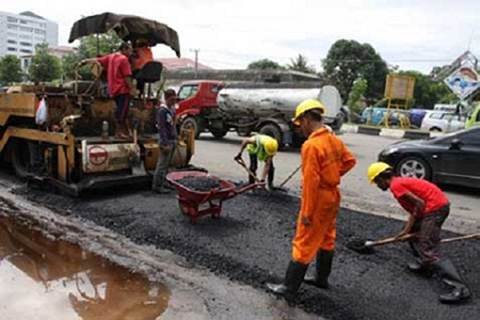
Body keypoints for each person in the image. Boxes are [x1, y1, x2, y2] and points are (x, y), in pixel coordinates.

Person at [266, 99, 356, 301]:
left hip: (319, 197)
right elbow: (350, 161)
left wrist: (306, 212)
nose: (300, 128)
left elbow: (310, 184)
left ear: (306, 119)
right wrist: (333, 174)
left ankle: (289, 288)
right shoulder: (334, 140)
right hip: (332, 196)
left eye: (300, 123)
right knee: (326, 236)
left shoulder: (312, 145)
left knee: (304, 241)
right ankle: (321, 279)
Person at [367, 162, 471, 304]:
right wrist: (407, 230)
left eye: (376, 182)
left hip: (435, 209)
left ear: (380, 178)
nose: (378, 186)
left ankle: (460, 288)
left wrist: (409, 230)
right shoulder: (399, 183)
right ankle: (425, 265)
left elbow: (420, 204)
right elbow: (416, 209)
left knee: (428, 247)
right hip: (434, 207)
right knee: (414, 234)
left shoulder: (396, 186)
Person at [79, 42, 134, 139]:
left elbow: (97, 60)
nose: (131, 52)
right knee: (122, 113)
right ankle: (120, 133)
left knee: (121, 111)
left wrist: (84, 61)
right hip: (123, 90)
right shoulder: (124, 59)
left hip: (114, 90)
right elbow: (127, 77)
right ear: (124, 49)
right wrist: (132, 89)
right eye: (130, 50)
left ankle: (125, 132)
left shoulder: (111, 57)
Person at [152, 89, 178, 193]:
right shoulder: (162, 111)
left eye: (175, 99)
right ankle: (157, 185)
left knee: (167, 165)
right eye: (172, 99)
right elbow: (162, 128)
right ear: (167, 98)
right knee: (162, 165)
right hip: (166, 142)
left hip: (172, 140)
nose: (174, 101)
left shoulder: (170, 110)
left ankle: (164, 182)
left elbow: (172, 125)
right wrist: (165, 143)